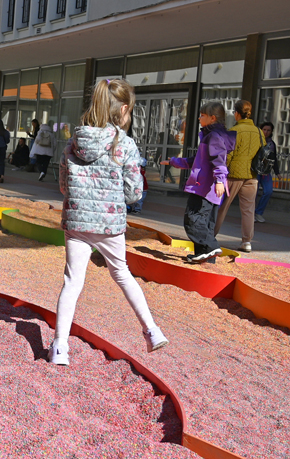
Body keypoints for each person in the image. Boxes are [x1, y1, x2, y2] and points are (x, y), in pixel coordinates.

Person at [49, 78, 168, 366]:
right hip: (109, 223)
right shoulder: (124, 145)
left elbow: (64, 187)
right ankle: (151, 331)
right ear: (124, 109)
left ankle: (60, 348)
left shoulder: (73, 142)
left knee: (72, 281)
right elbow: (133, 192)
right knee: (122, 274)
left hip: (77, 222)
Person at [161, 102, 232, 263]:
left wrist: (220, 180)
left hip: (205, 188)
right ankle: (205, 256)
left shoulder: (213, 136)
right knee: (205, 223)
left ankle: (211, 247)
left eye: (202, 115)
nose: (199, 118)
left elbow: (219, 159)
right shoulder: (211, 136)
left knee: (193, 220)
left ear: (212, 118)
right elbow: (197, 160)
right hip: (210, 189)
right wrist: (174, 162)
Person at [214, 100, 262, 253]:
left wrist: (221, 172)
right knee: (248, 210)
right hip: (252, 175)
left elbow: (228, 154)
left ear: (237, 113)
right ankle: (247, 241)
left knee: (221, 207)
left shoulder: (234, 130)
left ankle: (211, 235)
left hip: (233, 175)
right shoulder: (259, 132)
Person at [255, 121, 281, 223]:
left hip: (266, 172)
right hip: (256, 170)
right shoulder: (256, 141)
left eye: (268, 130)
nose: (266, 132)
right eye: (264, 130)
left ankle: (259, 213)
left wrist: (277, 172)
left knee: (268, 191)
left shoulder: (272, 144)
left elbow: (273, 159)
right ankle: (251, 213)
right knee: (253, 193)